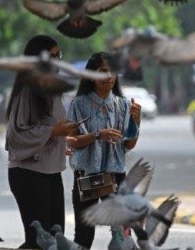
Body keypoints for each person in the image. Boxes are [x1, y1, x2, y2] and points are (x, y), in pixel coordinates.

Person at [5, 35, 79, 249]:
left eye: (59, 56)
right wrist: (53, 132)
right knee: (38, 241)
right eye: (51, 56)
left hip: (51, 173)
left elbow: (50, 132)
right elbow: (16, 136)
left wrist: (63, 140)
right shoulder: (28, 90)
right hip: (29, 175)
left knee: (56, 239)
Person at [67, 51, 141, 249]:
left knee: (122, 234)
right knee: (83, 234)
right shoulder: (78, 104)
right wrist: (98, 135)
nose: (108, 77)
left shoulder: (124, 105)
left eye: (113, 71)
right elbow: (73, 141)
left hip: (116, 176)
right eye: (102, 71)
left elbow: (128, 144)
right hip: (87, 176)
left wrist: (136, 120)